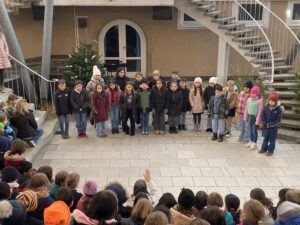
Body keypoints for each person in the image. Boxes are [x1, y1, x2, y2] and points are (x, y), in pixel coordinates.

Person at [259, 92, 283, 156]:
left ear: (276, 101)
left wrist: (271, 124)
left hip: (273, 128)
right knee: (265, 138)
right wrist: (264, 122)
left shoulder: (278, 110)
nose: (271, 102)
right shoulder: (266, 107)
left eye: (273, 101)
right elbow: (262, 115)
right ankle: (263, 149)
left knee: (272, 140)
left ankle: (270, 151)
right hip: (266, 126)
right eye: (270, 100)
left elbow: (278, 120)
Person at [244, 85, 264, 150]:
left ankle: (254, 142)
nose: (252, 94)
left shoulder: (259, 101)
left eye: (254, 93)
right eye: (251, 93)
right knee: (250, 130)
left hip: (255, 118)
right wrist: (245, 116)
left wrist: (257, 120)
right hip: (250, 117)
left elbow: (260, 111)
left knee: (254, 131)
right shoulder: (249, 99)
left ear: (257, 93)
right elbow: (246, 108)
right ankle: (251, 140)